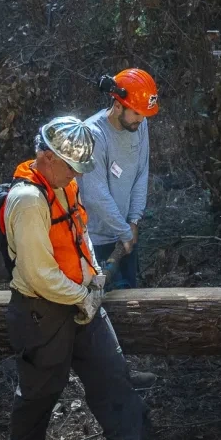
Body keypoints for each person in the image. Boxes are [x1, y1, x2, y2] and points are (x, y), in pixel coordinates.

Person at [1, 116, 182, 440]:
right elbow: (39, 274)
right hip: (41, 311)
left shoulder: (63, 186)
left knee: (113, 376)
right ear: (47, 156)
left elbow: (79, 235)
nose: (75, 176)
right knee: (40, 391)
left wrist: (94, 277)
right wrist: (83, 297)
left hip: (80, 299)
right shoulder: (28, 200)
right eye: (70, 167)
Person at [80, 69, 158, 289]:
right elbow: (95, 195)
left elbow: (141, 172)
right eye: (136, 113)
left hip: (126, 236)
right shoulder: (94, 134)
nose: (141, 120)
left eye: (144, 114)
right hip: (96, 241)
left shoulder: (140, 124)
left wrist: (133, 220)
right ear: (117, 106)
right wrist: (124, 231)